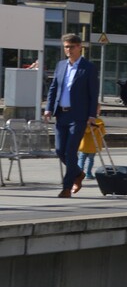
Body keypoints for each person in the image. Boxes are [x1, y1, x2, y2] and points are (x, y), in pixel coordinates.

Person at [43, 33, 100, 198]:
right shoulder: (61, 65)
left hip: (79, 116)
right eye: (66, 47)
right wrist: (48, 108)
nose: (68, 50)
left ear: (79, 47)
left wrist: (91, 115)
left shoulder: (88, 68)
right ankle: (78, 173)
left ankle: (66, 188)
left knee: (70, 151)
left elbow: (93, 93)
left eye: (71, 47)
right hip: (61, 114)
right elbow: (54, 88)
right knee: (60, 150)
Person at [77, 114, 106, 182]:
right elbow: (103, 133)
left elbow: (83, 131)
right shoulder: (100, 121)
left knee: (81, 159)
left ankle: (79, 173)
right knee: (91, 160)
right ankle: (88, 173)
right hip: (94, 145)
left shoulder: (85, 121)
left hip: (84, 145)